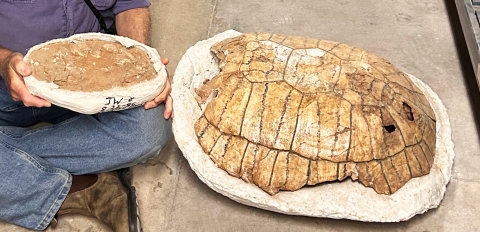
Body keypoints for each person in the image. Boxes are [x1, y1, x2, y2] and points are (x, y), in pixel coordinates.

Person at [0, 0, 173, 231]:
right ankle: (84, 188)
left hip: (91, 78)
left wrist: (140, 70)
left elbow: (129, 4)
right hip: (4, 88)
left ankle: (14, 164)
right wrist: (4, 61)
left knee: (149, 130)